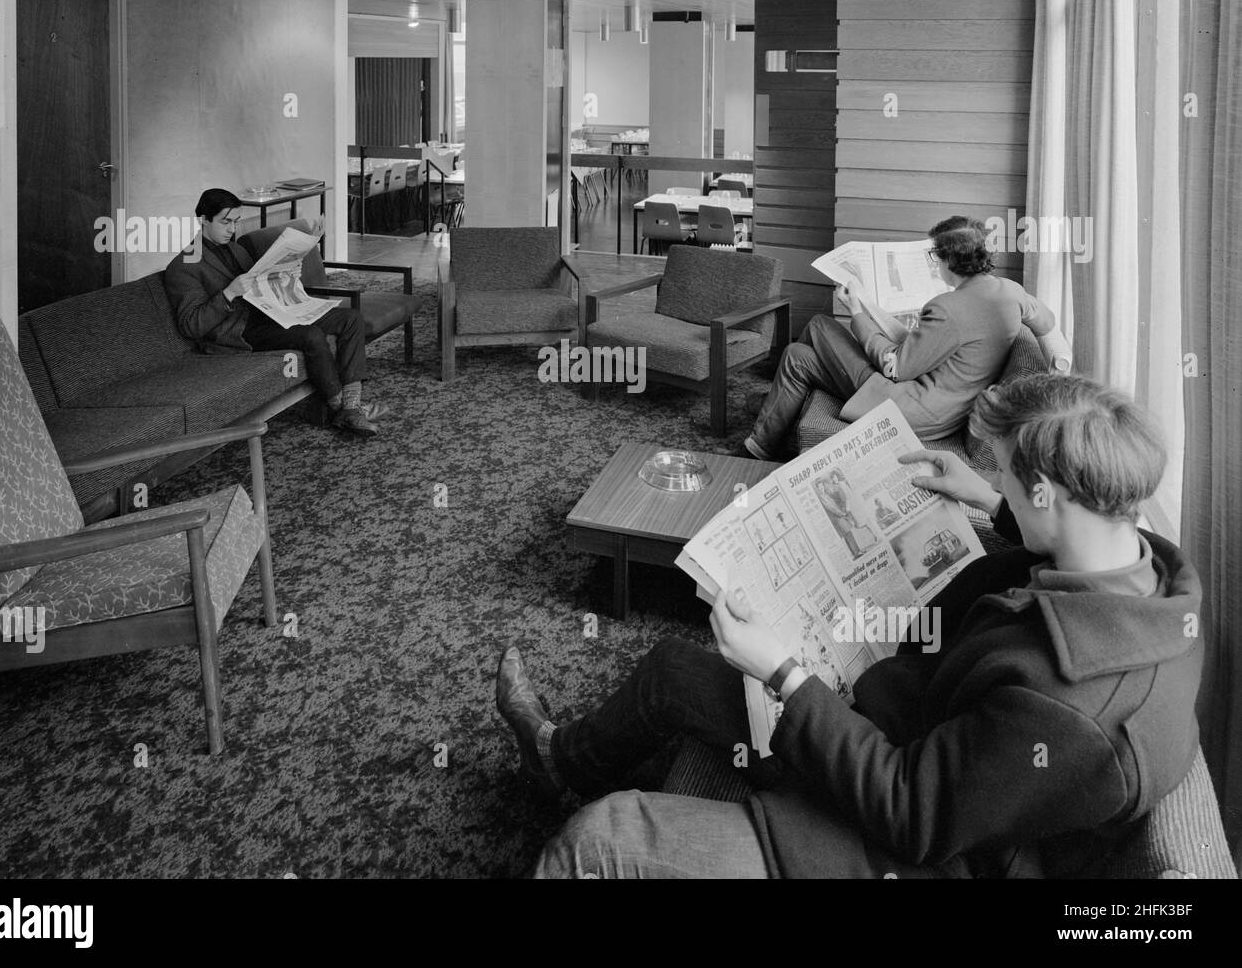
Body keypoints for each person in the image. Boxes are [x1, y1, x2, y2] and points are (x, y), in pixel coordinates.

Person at [496, 374, 1201, 878]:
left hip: (902, 843)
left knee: (596, 841)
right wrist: (987, 498)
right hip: (894, 722)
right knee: (671, 670)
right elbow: (1050, 536)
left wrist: (784, 672)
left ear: (1049, 492)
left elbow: (911, 815)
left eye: (1008, 473)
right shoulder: (1138, 573)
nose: (1002, 478)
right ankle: (559, 761)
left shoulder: (1071, 709)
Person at [738, 216, 1063, 461]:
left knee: (821, 324)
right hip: (945, 409)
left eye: (934, 255)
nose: (933, 264)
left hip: (912, 408)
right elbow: (1047, 324)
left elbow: (896, 367)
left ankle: (772, 410)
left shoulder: (948, 308)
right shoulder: (1011, 292)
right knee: (796, 356)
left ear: (951, 261)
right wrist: (1060, 364)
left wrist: (857, 313)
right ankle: (760, 446)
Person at [163, 188, 386, 436]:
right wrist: (228, 293)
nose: (231, 229)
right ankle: (341, 408)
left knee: (351, 319)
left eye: (235, 222)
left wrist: (288, 273)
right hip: (239, 332)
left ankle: (350, 408)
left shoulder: (236, 250)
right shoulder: (183, 266)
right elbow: (191, 325)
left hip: (270, 313)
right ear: (203, 219)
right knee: (311, 335)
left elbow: (262, 282)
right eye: (225, 222)